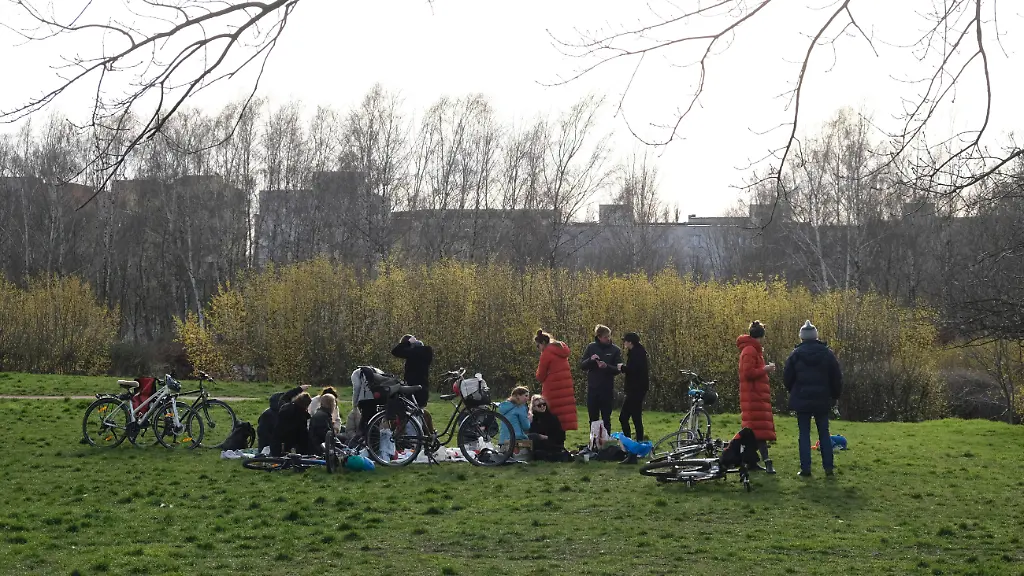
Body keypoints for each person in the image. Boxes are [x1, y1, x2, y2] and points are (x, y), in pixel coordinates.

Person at [784, 320, 843, 478]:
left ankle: (806, 469)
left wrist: (795, 391)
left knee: (804, 434)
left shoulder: (795, 354)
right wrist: (835, 396)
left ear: (802, 338)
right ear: (816, 337)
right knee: (824, 433)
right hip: (822, 399)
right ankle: (828, 468)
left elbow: (787, 378)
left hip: (802, 398)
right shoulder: (827, 353)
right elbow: (836, 377)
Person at [736, 320, 777, 474]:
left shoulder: (753, 350)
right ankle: (766, 461)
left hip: (755, 396)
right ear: (760, 336)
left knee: (754, 431)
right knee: (758, 432)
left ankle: (750, 462)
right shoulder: (750, 351)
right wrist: (765, 369)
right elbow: (748, 373)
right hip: (753, 397)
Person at [580, 324, 622, 434]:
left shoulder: (615, 350)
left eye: (609, 336)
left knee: (606, 419)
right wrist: (590, 360)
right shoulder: (591, 347)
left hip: (607, 389)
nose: (608, 339)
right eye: (605, 337)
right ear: (599, 337)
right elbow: (582, 366)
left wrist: (606, 367)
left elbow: (618, 369)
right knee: (593, 419)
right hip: (593, 389)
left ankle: (606, 444)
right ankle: (594, 443)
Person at [534, 330, 578, 431]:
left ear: (543, 343)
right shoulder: (561, 350)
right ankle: (561, 442)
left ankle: (553, 443)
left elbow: (540, 376)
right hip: (565, 388)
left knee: (552, 417)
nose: (538, 349)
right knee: (563, 417)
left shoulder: (546, 354)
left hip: (552, 389)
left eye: (538, 346)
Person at [616, 332, 649, 465]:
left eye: (625, 341)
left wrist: (622, 368)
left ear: (630, 342)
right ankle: (637, 448)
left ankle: (631, 449)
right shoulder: (640, 352)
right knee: (636, 418)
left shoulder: (636, 353)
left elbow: (634, 370)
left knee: (623, 417)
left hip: (635, 390)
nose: (624, 343)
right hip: (639, 390)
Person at [257, 384, 310, 452]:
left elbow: (284, 398)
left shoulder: (284, 409)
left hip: (275, 444)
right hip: (286, 445)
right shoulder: (300, 416)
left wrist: (299, 389)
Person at [391, 334, 434, 407]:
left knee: (409, 412)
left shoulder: (412, 353)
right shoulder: (427, 351)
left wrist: (408, 342)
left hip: (411, 389)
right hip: (423, 388)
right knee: (419, 412)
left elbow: (395, 351)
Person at [271, 392, 313, 456]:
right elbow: (302, 432)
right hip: (290, 441)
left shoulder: (286, 407)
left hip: (278, 439)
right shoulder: (300, 414)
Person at [527, 394, 567, 461]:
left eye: (544, 404)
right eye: (539, 405)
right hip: (539, 443)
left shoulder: (552, 418)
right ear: (534, 407)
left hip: (553, 442)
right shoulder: (533, 419)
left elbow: (561, 436)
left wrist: (546, 437)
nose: (542, 406)